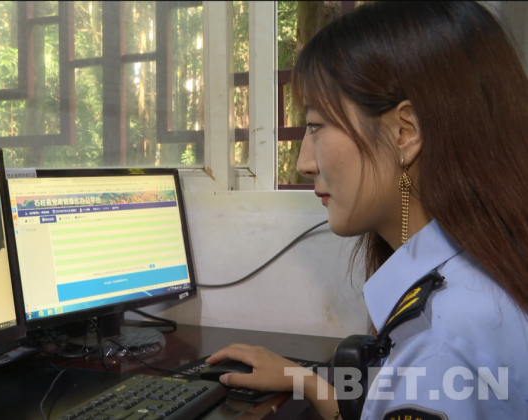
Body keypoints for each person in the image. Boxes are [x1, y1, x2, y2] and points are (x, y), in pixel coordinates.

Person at [207, 2, 528, 419]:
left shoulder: (439, 343)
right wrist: (303, 380)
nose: (304, 163)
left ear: (404, 133)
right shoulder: (483, 272)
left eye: (316, 125)